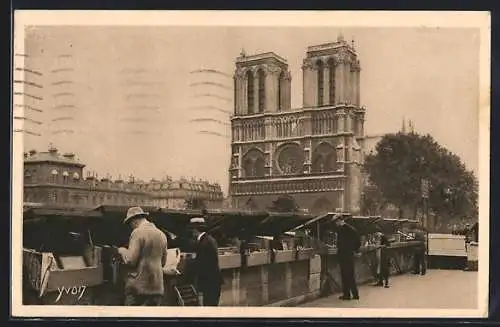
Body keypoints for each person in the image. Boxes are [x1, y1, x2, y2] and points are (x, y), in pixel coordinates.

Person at [118, 206, 168, 306]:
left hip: (139, 288)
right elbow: (163, 262)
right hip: (157, 287)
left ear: (134, 220)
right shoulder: (161, 234)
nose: (131, 227)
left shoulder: (137, 233)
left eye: (130, 224)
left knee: (132, 319)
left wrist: (122, 251)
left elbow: (131, 260)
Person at [188, 217, 223, 306]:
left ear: (195, 230)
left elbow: (202, 264)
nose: (191, 233)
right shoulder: (209, 239)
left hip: (209, 283)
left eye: (192, 230)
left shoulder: (204, 243)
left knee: (209, 308)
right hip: (213, 281)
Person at [335, 216, 361, 300]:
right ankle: (353, 294)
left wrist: (353, 249)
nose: (336, 224)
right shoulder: (349, 228)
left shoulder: (345, 229)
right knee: (349, 275)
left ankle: (347, 295)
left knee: (346, 275)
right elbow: (357, 239)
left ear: (339, 220)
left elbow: (356, 239)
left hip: (345, 255)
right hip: (347, 254)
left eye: (336, 222)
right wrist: (354, 249)